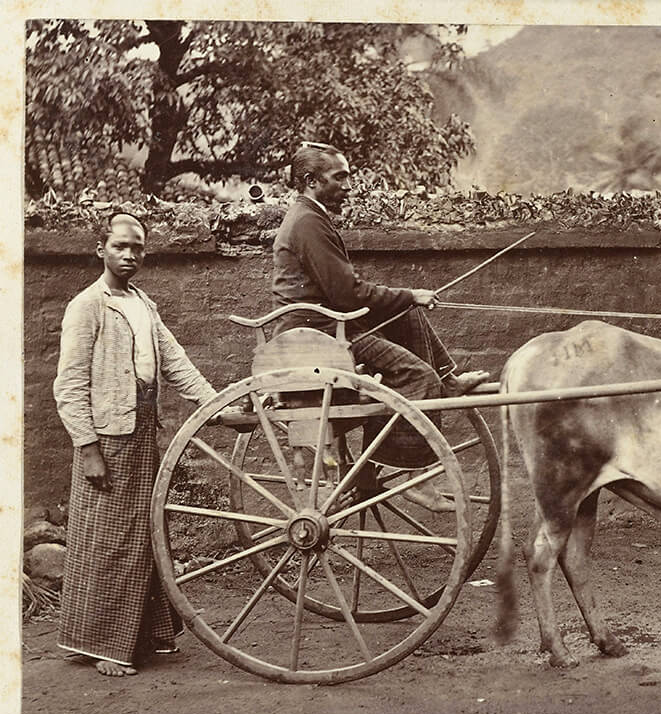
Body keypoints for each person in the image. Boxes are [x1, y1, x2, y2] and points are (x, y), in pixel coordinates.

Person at [270, 141, 487, 506]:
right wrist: (407, 293)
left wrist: (406, 299)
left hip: (328, 324)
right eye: (340, 177)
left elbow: (345, 290)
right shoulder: (307, 222)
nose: (349, 185)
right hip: (318, 332)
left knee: (409, 313)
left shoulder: (312, 216)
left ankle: (447, 380)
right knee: (417, 377)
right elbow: (347, 294)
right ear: (310, 180)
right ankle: (412, 477)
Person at [53, 212, 219, 677]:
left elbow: (176, 362)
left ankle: (144, 636)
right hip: (107, 439)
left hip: (144, 431)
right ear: (100, 249)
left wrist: (217, 407)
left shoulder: (143, 303)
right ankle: (105, 646)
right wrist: (87, 448)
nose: (130, 255)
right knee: (107, 542)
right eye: (120, 246)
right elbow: (69, 385)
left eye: (138, 248)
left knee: (144, 535)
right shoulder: (87, 306)